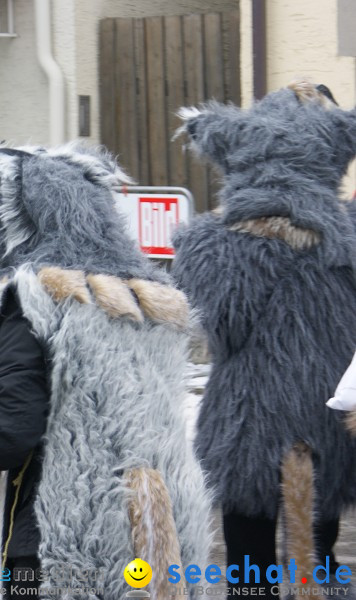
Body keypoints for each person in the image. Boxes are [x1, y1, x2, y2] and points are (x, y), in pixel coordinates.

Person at [0, 142, 212, 600]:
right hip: (159, 521)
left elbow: (12, 431)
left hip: (64, 528)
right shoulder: (150, 297)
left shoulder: (36, 301)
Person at [172, 81, 356, 597]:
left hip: (245, 423)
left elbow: (224, 330)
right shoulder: (349, 235)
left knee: (248, 567)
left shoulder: (210, 243)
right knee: (315, 562)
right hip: (326, 422)